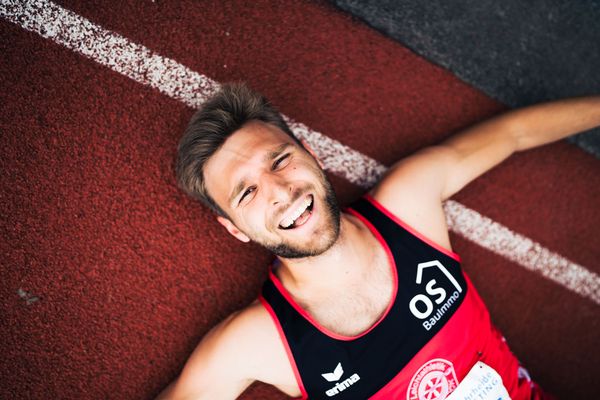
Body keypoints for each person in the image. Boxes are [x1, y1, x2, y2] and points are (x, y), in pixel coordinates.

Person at [157, 82, 599, 400]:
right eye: (246, 192)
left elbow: (512, 135)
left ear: (311, 155)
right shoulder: (258, 342)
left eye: (280, 160)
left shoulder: (409, 206)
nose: (279, 190)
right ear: (234, 227)